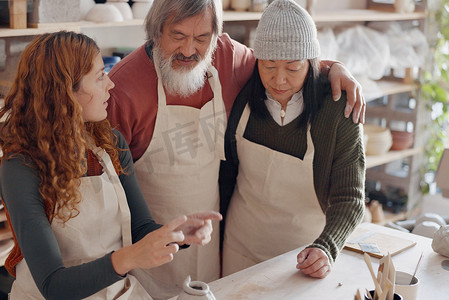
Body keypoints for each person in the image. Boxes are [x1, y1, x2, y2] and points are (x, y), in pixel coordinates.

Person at [106, 0, 365, 298]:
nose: (190, 50)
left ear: (216, 37)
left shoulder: (227, 59)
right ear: (154, 32)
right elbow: (107, 196)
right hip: (148, 249)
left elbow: (285, 58)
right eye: (178, 36)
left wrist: (334, 68)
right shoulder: (122, 90)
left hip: (216, 247)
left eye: (202, 38)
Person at [0, 31, 222, 300]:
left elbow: (140, 228)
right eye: (99, 76)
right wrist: (129, 257)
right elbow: (54, 286)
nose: (110, 84)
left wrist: (177, 234)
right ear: (65, 92)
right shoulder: (21, 167)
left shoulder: (109, 143)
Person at [220, 0, 365, 278]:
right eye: (268, 66)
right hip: (240, 246)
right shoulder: (243, 95)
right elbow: (227, 174)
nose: (279, 80)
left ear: (312, 63)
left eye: (293, 68)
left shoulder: (338, 108)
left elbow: (350, 198)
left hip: (303, 256)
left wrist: (326, 247)